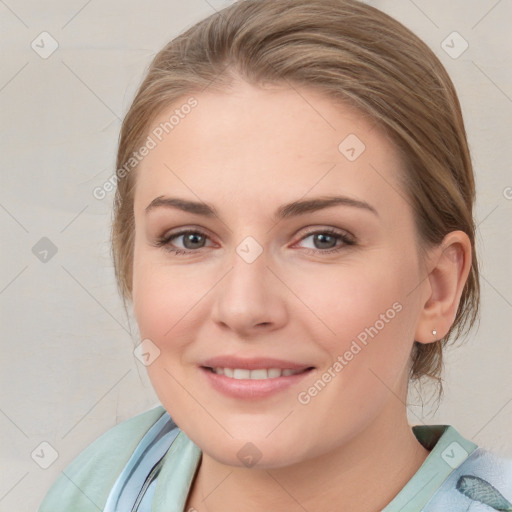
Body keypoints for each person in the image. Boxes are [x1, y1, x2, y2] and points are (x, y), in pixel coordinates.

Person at [38, 0, 512, 510]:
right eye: (190, 238)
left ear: (436, 289)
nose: (243, 308)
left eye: (323, 239)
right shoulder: (103, 482)